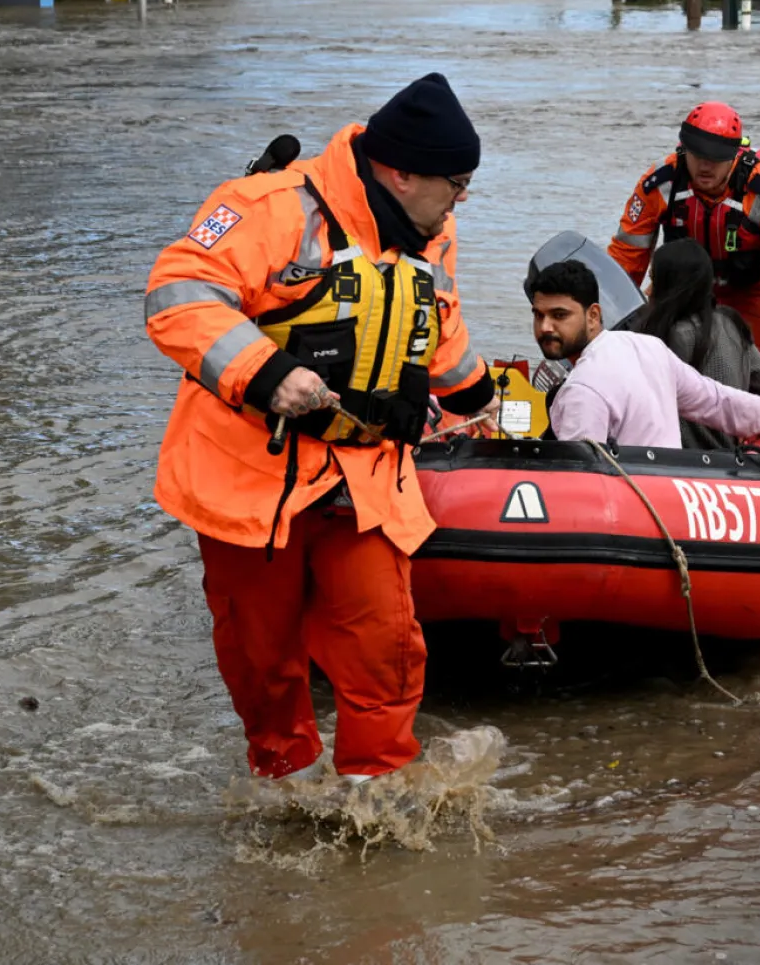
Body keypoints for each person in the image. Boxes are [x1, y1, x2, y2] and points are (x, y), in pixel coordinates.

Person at [144, 73, 499, 784]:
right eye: (456, 182)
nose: (463, 198)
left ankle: (377, 796)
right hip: (252, 477)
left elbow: (438, 326)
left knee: (387, 646)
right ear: (401, 173)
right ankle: (284, 784)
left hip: (366, 476)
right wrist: (269, 372)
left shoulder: (434, 231)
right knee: (262, 659)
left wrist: (477, 393)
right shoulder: (266, 207)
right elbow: (176, 295)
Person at [607, 101, 760, 379]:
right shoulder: (659, 183)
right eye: (697, 155)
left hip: (749, 293)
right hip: (679, 288)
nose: (705, 166)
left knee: (729, 361)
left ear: (733, 155)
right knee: (657, 349)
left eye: (716, 158)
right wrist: (604, 325)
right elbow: (625, 259)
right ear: (684, 149)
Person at [530, 260, 760, 447]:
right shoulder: (646, 347)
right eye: (538, 315)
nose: (545, 327)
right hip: (668, 493)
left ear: (594, 315)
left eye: (559, 316)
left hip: (628, 517)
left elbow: (576, 481)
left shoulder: (581, 390)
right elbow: (718, 403)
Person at [634, 239, 760, 451]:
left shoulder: (675, 335)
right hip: (731, 457)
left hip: (685, 461)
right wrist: (748, 425)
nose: (648, 291)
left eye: (653, 280)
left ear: (670, 286)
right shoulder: (732, 322)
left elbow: (642, 405)